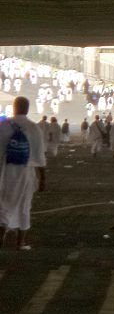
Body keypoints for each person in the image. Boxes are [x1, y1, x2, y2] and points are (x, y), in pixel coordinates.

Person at [0, 96, 47, 250]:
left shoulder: (3, 126)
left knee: (3, 206)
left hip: (3, 172)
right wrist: (42, 179)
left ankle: (1, 237)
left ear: (13, 108)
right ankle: (21, 242)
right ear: (27, 109)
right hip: (25, 173)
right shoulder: (33, 128)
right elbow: (40, 156)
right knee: (24, 206)